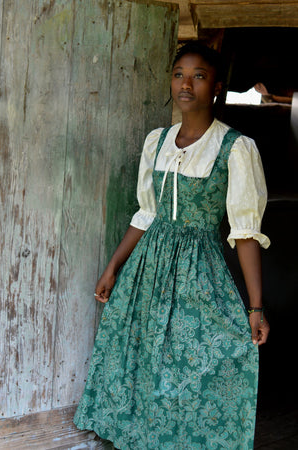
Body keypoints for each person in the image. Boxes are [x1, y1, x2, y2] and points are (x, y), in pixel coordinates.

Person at [74, 41, 270, 449]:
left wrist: (255, 307)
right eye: (180, 73)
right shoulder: (158, 141)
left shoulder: (236, 148)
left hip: (199, 270)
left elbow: (246, 231)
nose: (186, 84)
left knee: (194, 361)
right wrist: (114, 267)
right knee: (142, 353)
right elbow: (146, 213)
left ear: (215, 86)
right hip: (148, 267)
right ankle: (140, 436)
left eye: (199, 76)